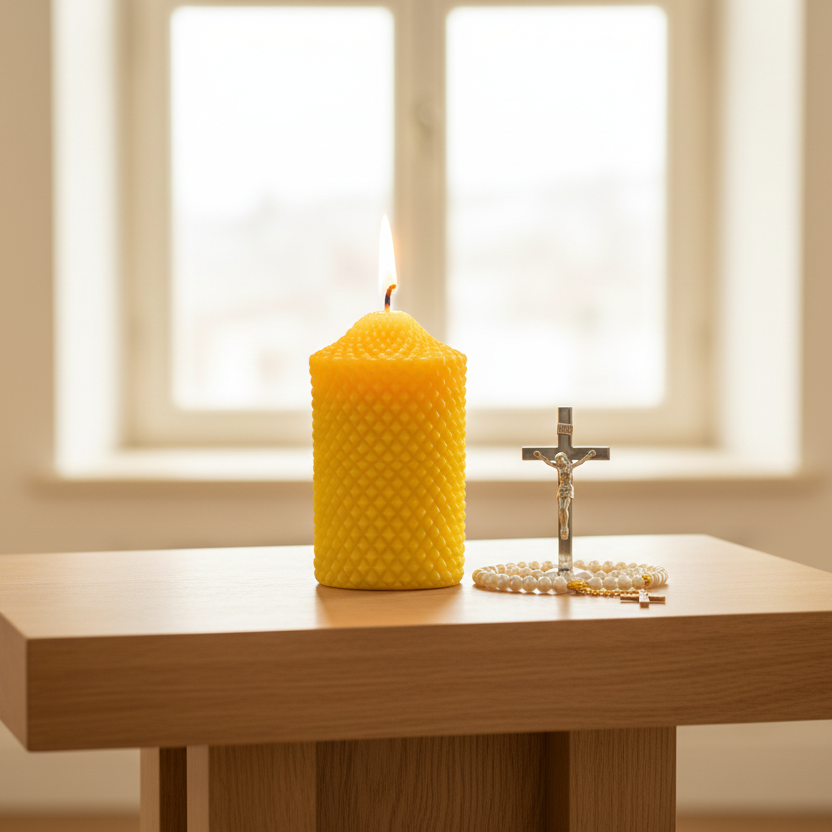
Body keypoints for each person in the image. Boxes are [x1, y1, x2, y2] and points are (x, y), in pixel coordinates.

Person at [533, 449, 596, 540]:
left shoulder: (570, 466)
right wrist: (540, 456)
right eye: (557, 460)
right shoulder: (559, 468)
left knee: (565, 508)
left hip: (568, 488)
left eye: (560, 459)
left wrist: (589, 455)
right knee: (561, 508)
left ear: (564, 458)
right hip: (561, 488)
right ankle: (563, 527)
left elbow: (580, 462)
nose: (559, 462)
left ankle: (564, 527)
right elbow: (548, 462)